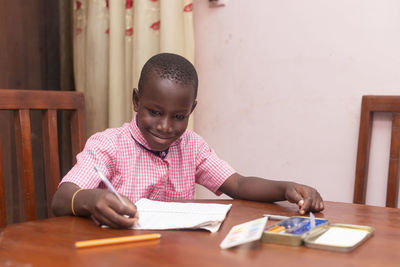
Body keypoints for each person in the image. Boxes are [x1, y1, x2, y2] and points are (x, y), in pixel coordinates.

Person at [52, 53, 324, 229]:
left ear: (191, 111)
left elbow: (239, 184)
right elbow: (62, 199)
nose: (165, 126)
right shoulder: (108, 145)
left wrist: (286, 188)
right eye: (154, 112)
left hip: (174, 255)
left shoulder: (191, 146)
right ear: (136, 101)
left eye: (179, 116)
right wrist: (91, 199)